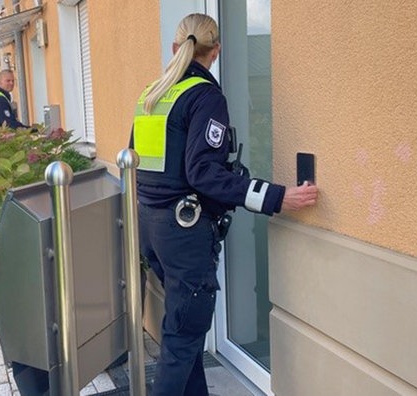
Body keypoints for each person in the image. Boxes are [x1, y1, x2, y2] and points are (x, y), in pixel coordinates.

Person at [130, 14, 318, 396]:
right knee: (182, 339)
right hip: (183, 235)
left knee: (185, 332)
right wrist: (278, 197)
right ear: (216, 51)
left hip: (151, 227)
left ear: (175, 48)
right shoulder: (205, 97)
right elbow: (203, 173)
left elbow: (133, 161)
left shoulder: (152, 93)